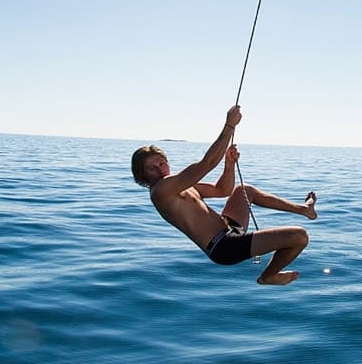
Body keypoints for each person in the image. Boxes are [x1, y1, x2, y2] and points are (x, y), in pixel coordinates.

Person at [131, 105, 318, 286]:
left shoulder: (180, 185)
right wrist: (230, 125)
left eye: (161, 163)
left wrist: (228, 166)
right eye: (152, 168)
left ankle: (304, 209)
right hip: (224, 247)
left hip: (230, 230)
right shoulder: (161, 191)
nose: (160, 169)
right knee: (299, 236)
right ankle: (268, 277)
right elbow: (207, 163)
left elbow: (222, 190)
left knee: (244, 190)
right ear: (143, 175)